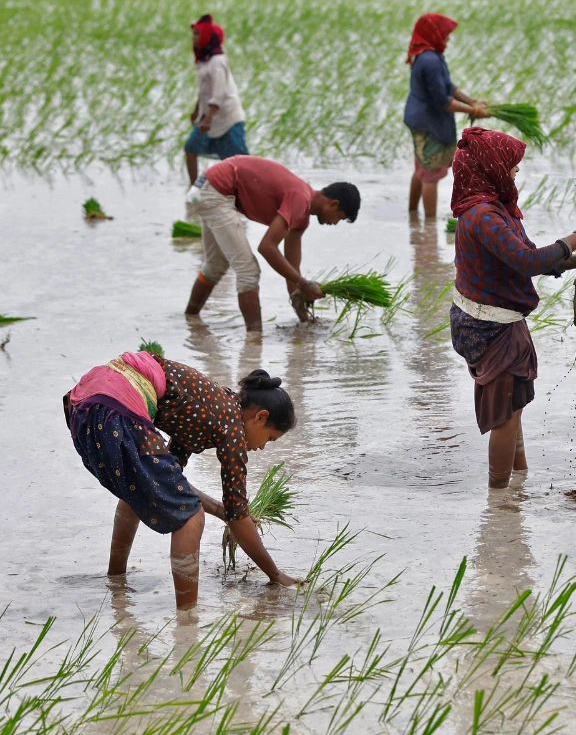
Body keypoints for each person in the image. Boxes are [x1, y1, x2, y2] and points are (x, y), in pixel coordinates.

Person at [64, 353, 302, 609]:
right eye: (269, 439)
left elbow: (169, 482)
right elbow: (238, 517)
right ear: (260, 417)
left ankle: (116, 580)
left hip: (88, 402)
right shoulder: (232, 428)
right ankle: (187, 619)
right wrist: (275, 575)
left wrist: (222, 512)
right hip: (118, 407)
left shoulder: (211, 408)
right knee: (191, 516)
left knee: (140, 485)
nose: (263, 448)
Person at [449, 127, 576, 489]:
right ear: (491, 167)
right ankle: (499, 500)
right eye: (512, 165)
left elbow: (530, 255)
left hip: (497, 319)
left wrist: (574, 261)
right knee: (504, 415)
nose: (516, 171)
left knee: (513, 405)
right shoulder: (482, 216)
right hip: (488, 326)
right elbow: (525, 260)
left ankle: (518, 481)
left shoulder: (498, 209)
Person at [183, 155, 361, 331]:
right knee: (248, 271)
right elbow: (267, 247)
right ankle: (254, 341)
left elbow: (292, 268)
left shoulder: (302, 218)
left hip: (206, 188)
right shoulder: (300, 198)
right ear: (333, 204)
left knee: (216, 265)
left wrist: (304, 318)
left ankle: (189, 319)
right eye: (340, 217)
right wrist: (304, 284)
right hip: (216, 191)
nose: (335, 223)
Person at [404, 13, 489, 219]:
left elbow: (448, 87)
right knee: (430, 176)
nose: (448, 38)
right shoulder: (430, 60)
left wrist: (472, 101)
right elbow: (443, 101)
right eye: (445, 34)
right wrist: (474, 111)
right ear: (434, 34)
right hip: (427, 123)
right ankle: (429, 225)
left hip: (423, 119)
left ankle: (413, 216)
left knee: (422, 169)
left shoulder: (431, 55)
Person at [184, 14, 249, 186]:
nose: (193, 37)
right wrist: (197, 109)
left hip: (227, 118)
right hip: (207, 116)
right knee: (190, 148)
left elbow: (219, 93)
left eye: (197, 34)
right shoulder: (203, 60)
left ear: (207, 38)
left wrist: (209, 118)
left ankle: (250, 191)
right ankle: (194, 188)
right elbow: (205, 90)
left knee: (240, 162)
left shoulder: (217, 61)